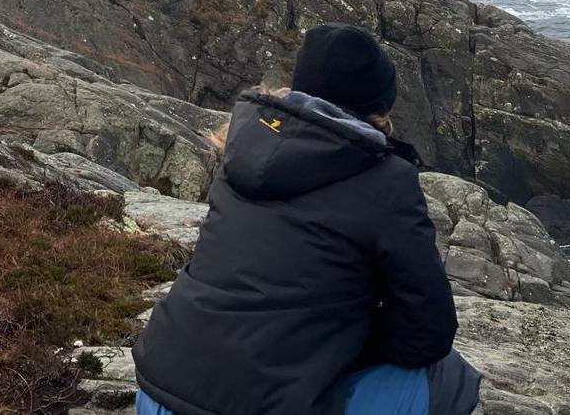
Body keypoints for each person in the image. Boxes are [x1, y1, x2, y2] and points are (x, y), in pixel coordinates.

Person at [133, 23, 481, 415]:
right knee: (450, 382)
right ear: (380, 107)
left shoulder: (244, 147)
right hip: (256, 405)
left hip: (157, 389)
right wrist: (345, 338)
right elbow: (429, 333)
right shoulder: (387, 181)